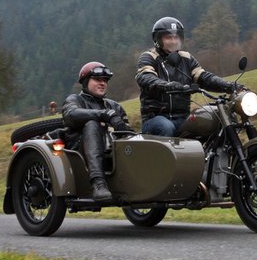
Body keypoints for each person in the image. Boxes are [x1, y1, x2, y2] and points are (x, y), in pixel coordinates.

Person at [135, 16, 244, 136]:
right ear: (157, 39)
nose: (173, 41)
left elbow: (203, 77)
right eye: (168, 37)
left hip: (183, 117)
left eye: (176, 37)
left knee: (212, 120)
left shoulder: (186, 58)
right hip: (155, 118)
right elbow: (146, 77)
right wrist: (166, 86)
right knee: (166, 127)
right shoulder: (148, 57)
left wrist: (229, 86)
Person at [62, 61, 133, 201]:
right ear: (85, 81)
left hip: (111, 151)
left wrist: (123, 128)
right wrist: (104, 114)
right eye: (97, 79)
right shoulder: (74, 99)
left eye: (105, 80)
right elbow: (71, 115)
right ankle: (98, 183)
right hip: (79, 152)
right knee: (92, 124)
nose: (103, 83)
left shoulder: (114, 106)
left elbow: (127, 132)